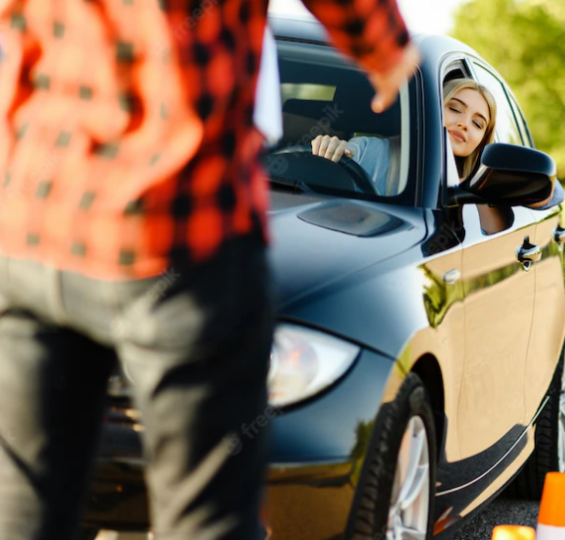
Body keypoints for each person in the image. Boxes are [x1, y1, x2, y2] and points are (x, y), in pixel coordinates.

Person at [0, 1, 419, 540]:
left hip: (33, 218)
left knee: (24, 506)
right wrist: (383, 46)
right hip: (176, 220)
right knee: (206, 518)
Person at [311, 78, 565, 216]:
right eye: (454, 108)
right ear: (430, 110)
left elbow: (552, 193)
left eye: (478, 123)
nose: (464, 124)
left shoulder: (482, 182)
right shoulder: (369, 151)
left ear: (482, 139)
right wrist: (323, 154)